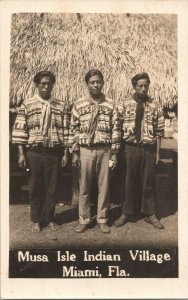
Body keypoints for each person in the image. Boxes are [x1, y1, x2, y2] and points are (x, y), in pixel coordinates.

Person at [12, 71, 69, 233]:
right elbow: (20, 130)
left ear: (53, 85)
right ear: (37, 85)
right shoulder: (27, 104)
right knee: (36, 186)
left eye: (49, 83)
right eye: (42, 83)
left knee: (53, 187)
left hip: (54, 153)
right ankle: (36, 219)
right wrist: (21, 154)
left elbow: (66, 131)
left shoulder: (60, 105)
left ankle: (49, 218)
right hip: (35, 152)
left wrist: (65, 153)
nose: (46, 86)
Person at [69, 69, 119, 234]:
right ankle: (84, 219)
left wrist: (114, 153)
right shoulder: (79, 104)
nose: (96, 85)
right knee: (84, 187)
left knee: (103, 187)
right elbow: (73, 129)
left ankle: (102, 219)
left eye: (98, 81)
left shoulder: (111, 104)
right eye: (92, 82)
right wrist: (75, 152)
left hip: (104, 149)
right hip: (86, 150)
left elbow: (116, 130)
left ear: (103, 83)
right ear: (87, 84)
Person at [113, 72, 164, 229]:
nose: (143, 88)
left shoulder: (155, 104)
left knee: (148, 180)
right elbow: (117, 128)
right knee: (128, 180)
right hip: (131, 147)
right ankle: (126, 212)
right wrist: (116, 151)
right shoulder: (124, 104)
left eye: (146, 86)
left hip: (148, 148)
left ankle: (149, 213)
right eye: (140, 86)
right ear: (134, 87)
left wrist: (158, 153)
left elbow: (159, 130)